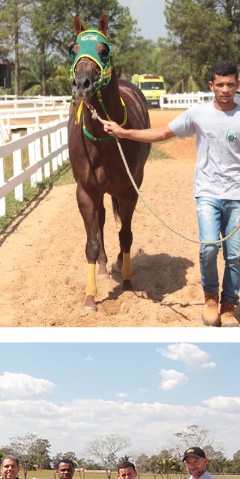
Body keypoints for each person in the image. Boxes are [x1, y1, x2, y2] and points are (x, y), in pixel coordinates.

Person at [104, 60, 240, 328]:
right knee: (209, 248)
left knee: (235, 255)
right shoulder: (198, 114)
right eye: (221, 84)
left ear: (238, 84)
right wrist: (125, 132)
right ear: (211, 86)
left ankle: (228, 306)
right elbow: (163, 132)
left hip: (237, 195)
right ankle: (210, 298)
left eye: (231, 84)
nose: (226, 89)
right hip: (208, 193)